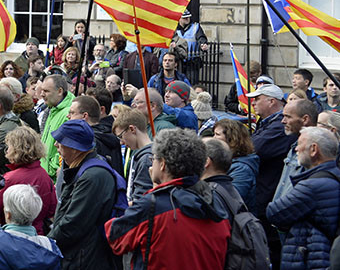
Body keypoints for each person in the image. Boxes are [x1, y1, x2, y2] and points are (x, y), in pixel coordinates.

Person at [106, 129, 230, 269]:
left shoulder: (153, 206)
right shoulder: (214, 202)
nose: (152, 164)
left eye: (154, 159)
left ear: (163, 164)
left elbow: (115, 236)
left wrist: (154, 191)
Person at [48, 119, 121, 270]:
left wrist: (47, 243)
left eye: (61, 141)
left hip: (86, 259)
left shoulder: (93, 176)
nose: (56, 145)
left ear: (75, 148)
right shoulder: (85, 168)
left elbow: (73, 224)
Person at [266, 127, 340, 270]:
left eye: (300, 144)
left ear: (313, 150)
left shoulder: (312, 186)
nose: (296, 149)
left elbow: (273, 212)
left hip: (311, 260)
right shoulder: (335, 174)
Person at [247, 83, 297, 265]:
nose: (253, 103)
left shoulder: (278, 128)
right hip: (264, 194)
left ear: (271, 101)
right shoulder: (268, 123)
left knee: (271, 248)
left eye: (257, 99)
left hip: (268, 196)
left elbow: (253, 148)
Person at [0, 126, 56, 235]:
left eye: (8, 146)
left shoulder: (9, 179)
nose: (7, 150)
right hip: (38, 234)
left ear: (16, 149)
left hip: (13, 235)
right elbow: (52, 209)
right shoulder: (44, 175)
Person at [273, 98, 319, 202]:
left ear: (305, 119)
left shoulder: (313, 152)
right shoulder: (295, 147)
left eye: (287, 117)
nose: (283, 121)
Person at [67, 95, 123, 174]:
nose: (68, 116)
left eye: (72, 113)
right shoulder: (109, 134)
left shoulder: (90, 141)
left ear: (84, 116)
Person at [212, 118, 259, 211]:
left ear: (232, 138)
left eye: (217, 134)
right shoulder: (228, 160)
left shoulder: (242, 169)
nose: (213, 138)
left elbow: (230, 200)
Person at [112, 108, 153, 204]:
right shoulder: (141, 156)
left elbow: (141, 202)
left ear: (132, 129)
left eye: (121, 136)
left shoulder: (146, 159)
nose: (121, 142)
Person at [37, 74, 74, 181]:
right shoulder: (52, 109)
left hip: (54, 178)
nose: (42, 94)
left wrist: (52, 168)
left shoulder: (68, 113)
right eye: (42, 90)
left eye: (46, 91)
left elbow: (67, 149)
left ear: (59, 91)